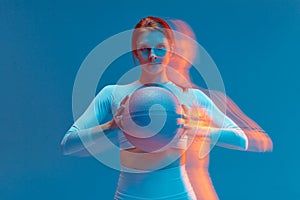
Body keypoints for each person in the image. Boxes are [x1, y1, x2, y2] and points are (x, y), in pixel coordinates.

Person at [61, 16, 261, 200]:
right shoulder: (112, 95)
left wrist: (198, 129)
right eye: (144, 49)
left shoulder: (190, 97)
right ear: (135, 53)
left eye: (160, 47)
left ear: (171, 49)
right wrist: (111, 126)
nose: (153, 55)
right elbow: (68, 145)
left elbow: (241, 139)